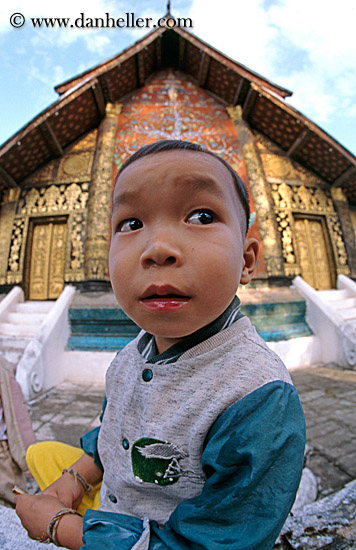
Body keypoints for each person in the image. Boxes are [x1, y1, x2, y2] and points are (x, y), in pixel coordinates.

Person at [15, 140, 306, 549]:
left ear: (247, 259)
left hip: (162, 536)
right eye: (131, 224)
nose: (157, 250)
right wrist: (71, 482)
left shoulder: (258, 397)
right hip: (121, 501)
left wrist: (60, 526)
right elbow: (110, 432)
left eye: (201, 216)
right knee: (43, 454)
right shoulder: (130, 355)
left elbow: (210, 542)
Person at [0, 356, 35, 507]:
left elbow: (18, 414)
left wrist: (27, 455)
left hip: (4, 453)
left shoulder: (3, 370)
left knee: (15, 497)